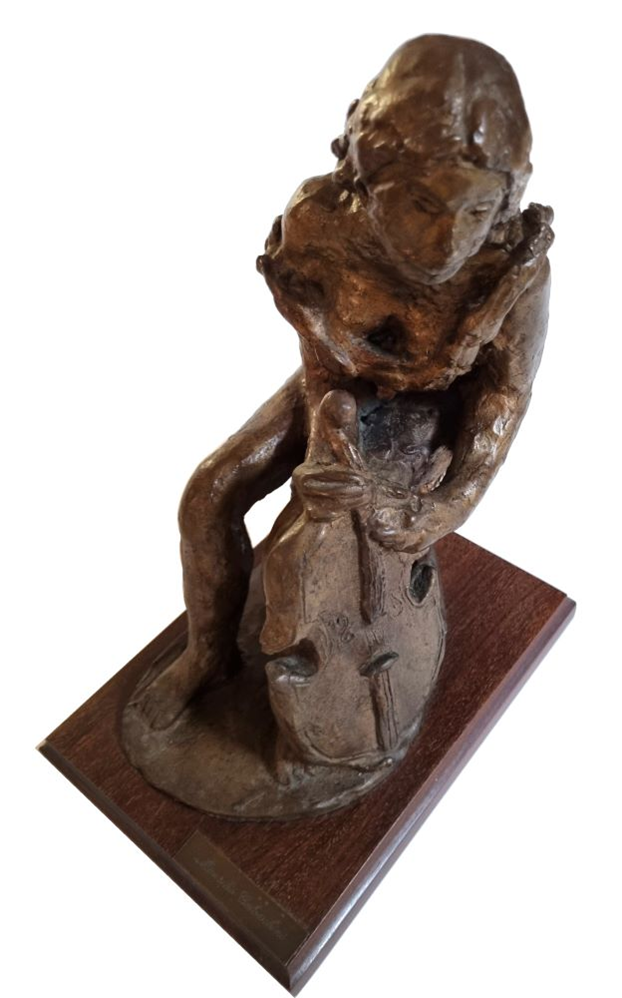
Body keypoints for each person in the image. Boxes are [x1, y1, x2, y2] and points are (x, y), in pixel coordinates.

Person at [137, 34, 553, 730]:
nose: (449, 241)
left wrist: (451, 504)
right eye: (422, 205)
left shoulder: (512, 273)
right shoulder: (320, 224)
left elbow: (504, 395)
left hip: (436, 412)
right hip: (337, 378)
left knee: (308, 540)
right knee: (208, 495)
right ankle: (208, 656)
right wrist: (326, 433)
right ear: (369, 171)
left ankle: (322, 713)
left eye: (476, 214)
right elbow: (322, 351)